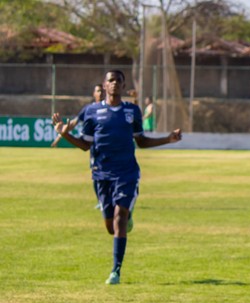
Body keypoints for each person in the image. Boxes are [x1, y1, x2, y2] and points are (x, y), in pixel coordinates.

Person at [51, 70, 182, 285]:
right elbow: (85, 146)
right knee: (111, 227)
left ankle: (115, 271)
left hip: (127, 172)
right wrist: (65, 134)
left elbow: (141, 141)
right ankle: (125, 219)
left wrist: (167, 139)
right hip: (101, 174)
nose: (114, 84)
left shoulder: (132, 111)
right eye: (111, 80)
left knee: (120, 219)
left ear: (122, 86)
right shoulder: (91, 112)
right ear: (104, 84)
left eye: (118, 81)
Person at [51, 83, 104, 148]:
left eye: (103, 91)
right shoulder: (89, 109)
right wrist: (59, 136)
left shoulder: (113, 108)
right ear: (94, 93)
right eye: (98, 91)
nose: (101, 93)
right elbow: (74, 123)